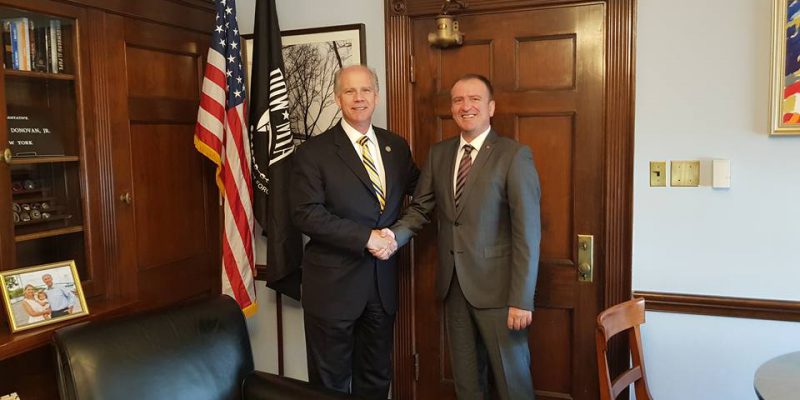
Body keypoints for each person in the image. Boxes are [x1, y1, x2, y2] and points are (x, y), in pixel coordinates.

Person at [382, 74, 541, 400]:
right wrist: (392, 238)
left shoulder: (513, 155)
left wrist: (522, 299)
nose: (465, 106)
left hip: (501, 295)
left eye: (474, 99)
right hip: (454, 288)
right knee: (467, 385)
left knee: (513, 385)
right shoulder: (439, 154)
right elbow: (420, 209)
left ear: (491, 107)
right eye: (458, 100)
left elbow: (528, 233)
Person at [290, 64, 419, 399]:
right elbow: (306, 213)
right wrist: (366, 238)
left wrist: (399, 233)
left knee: (376, 378)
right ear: (338, 99)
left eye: (365, 90)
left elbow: (423, 193)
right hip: (332, 290)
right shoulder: (313, 152)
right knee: (329, 386)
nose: (358, 98)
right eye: (349, 91)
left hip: (381, 286)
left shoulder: (396, 147)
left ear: (377, 96)